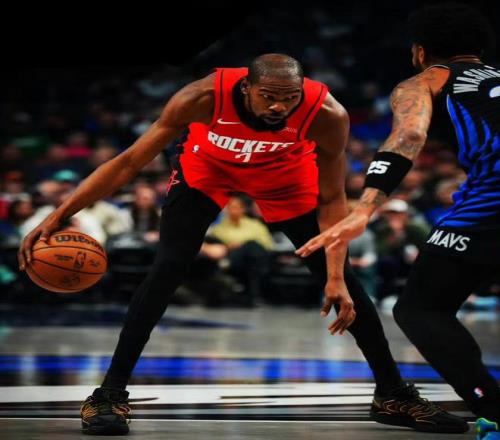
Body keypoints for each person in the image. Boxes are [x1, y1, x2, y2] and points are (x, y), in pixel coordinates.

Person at [18, 54, 466, 435]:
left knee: (346, 283)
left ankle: (392, 394)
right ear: (247, 87)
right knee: (167, 270)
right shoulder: (201, 97)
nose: (279, 106)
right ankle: (109, 393)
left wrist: (334, 276)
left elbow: (332, 199)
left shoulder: (328, 114)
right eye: (268, 96)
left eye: (289, 98)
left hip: (284, 177)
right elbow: (130, 161)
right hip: (207, 169)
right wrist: (59, 215)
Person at [296, 4, 500, 439]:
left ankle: (495, 410)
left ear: (420, 51)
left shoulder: (427, 80)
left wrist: (365, 208)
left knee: (422, 308)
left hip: (492, 200)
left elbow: (408, 134)